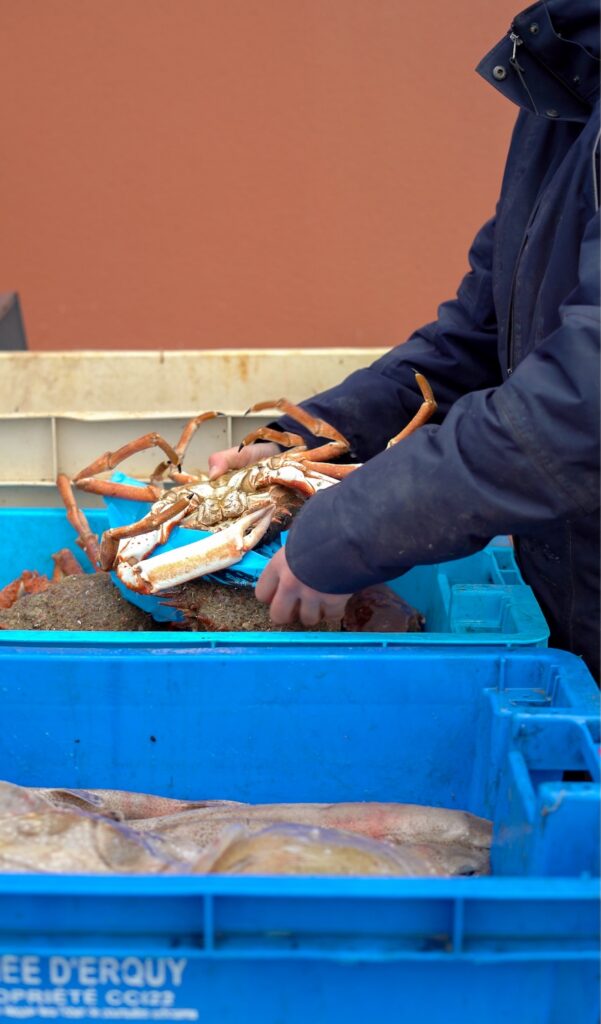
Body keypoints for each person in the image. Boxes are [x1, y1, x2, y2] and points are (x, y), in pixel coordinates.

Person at [209, 0, 600, 680]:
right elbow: (479, 335)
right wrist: (303, 439)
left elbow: (579, 407)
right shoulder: (564, 65)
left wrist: (349, 530)